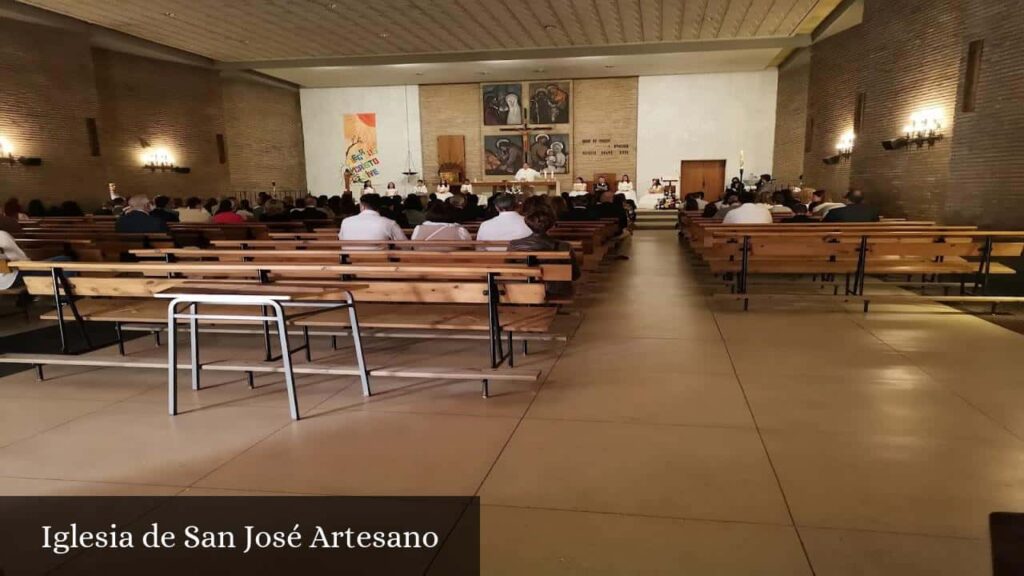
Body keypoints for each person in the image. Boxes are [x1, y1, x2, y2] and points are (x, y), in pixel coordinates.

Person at [509, 205, 580, 299]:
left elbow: (509, 269)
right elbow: (575, 275)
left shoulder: (514, 245)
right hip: (555, 290)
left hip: (523, 287)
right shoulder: (564, 246)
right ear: (551, 225)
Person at [338, 193, 406, 242]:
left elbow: (341, 239)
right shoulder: (389, 223)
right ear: (379, 206)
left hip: (350, 260)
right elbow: (405, 245)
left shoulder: (346, 221)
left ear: (362, 206)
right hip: (380, 260)